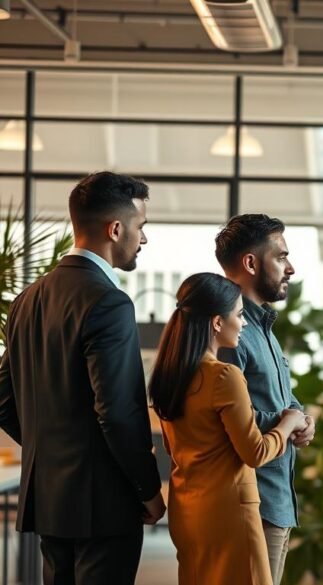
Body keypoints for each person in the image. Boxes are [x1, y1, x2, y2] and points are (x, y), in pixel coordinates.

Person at [0, 171, 165, 584]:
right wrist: (147, 489)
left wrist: (54, 450)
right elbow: (118, 412)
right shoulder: (109, 302)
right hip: (104, 504)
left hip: (49, 496)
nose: (143, 239)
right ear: (115, 228)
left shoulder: (27, 299)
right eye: (140, 227)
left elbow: (3, 399)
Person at [150, 272, 308, 585]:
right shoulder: (223, 376)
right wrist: (289, 420)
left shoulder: (170, 375)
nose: (244, 323)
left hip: (187, 510)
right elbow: (256, 452)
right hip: (231, 512)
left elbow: (172, 447)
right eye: (238, 315)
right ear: (217, 323)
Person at [214, 214, 314, 585]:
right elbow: (222, 419)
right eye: (281, 257)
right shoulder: (230, 332)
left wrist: (301, 418)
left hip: (274, 502)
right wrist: (289, 421)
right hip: (250, 506)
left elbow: (284, 400)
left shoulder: (263, 328)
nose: (291, 268)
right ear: (251, 263)